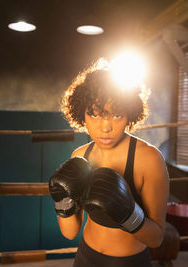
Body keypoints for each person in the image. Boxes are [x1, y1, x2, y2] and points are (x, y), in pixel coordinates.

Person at [49, 58, 169, 267]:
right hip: (86, 257)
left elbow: (156, 239)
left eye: (116, 114)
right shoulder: (80, 155)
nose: (105, 127)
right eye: (95, 114)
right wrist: (62, 201)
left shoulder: (149, 159)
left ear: (129, 114)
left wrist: (129, 214)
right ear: (82, 114)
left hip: (129, 262)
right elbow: (70, 233)